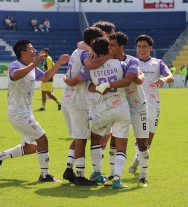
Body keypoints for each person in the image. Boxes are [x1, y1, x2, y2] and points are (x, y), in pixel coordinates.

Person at [0, 39, 70, 182]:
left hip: (25, 112)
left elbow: (45, 77)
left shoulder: (31, 66)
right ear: (23, 52)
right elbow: (15, 76)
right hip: (18, 113)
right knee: (42, 139)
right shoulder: (15, 65)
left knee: (31, 148)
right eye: (31, 48)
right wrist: (34, 64)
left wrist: (59, 63)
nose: (34, 50)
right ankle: (44, 175)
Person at [62, 21, 115, 185]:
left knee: (80, 137)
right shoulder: (86, 54)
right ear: (94, 41)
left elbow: (73, 77)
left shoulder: (78, 50)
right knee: (82, 138)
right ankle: (80, 176)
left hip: (71, 98)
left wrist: (67, 79)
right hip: (78, 101)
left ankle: (70, 170)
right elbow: (90, 65)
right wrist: (109, 56)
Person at [94, 32, 149, 187]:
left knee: (142, 143)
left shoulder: (132, 61)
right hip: (119, 106)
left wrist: (107, 85)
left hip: (137, 106)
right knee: (114, 141)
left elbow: (129, 81)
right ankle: (113, 176)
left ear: (121, 47)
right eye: (108, 45)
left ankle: (143, 177)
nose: (109, 47)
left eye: (112, 45)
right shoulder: (107, 61)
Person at [79, 37, 132, 189]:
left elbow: (88, 87)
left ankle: (96, 172)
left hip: (103, 109)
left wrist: (99, 86)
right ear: (108, 49)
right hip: (122, 107)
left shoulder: (92, 68)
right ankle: (117, 180)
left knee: (96, 139)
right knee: (121, 145)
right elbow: (129, 80)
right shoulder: (122, 64)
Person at [129, 34, 174, 177]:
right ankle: (142, 164)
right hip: (135, 104)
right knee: (139, 136)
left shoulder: (157, 63)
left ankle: (137, 160)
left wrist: (164, 78)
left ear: (150, 48)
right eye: (139, 46)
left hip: (154, 104)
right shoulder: (131, 63)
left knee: (149, 139)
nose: (141, 49)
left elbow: (171, 77)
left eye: (144, 46)